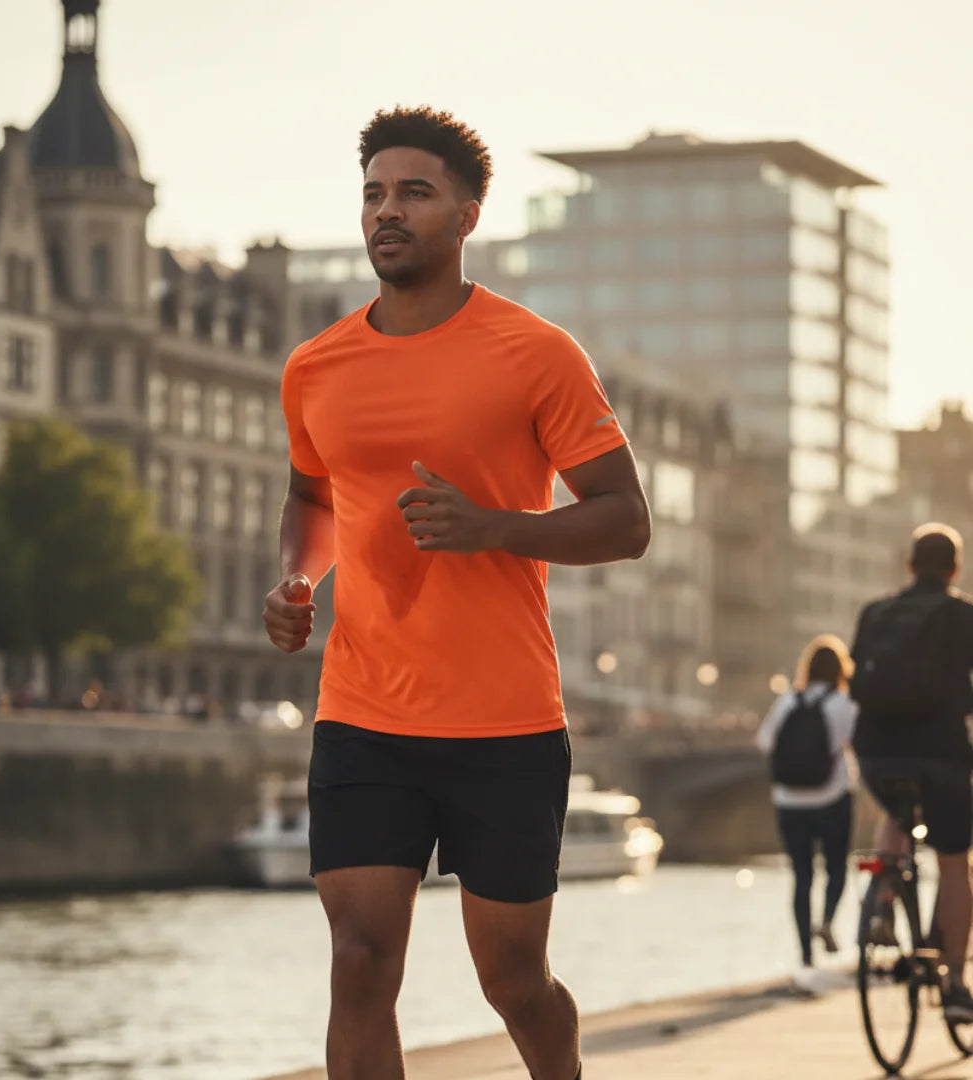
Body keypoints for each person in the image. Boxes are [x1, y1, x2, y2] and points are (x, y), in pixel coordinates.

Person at [262, 106, 650, 1080]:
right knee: (358, 962)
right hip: (364, 712)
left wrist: (496, 529)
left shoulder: (536, 353)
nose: (387, 212)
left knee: (513, 978)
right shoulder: (315, 368)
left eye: (413, 193)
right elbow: (314, 491)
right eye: (374, 194)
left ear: (467, 215)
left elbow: (625, 518)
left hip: (504, 723)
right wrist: (296, 576)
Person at [851, 523, 973, 1021]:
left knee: (896, 812)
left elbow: (857, 675)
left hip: (878, 754)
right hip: (940, 753)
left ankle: (882, 896)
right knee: (953, 862)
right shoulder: (962, 615)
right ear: (954, 570)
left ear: (909, 565)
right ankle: (957, 986)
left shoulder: (876, 612)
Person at [756, 635, 858, 983]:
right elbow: (856, 742)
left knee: (801, 875)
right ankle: (827, 920)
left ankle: (805, 955)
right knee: (836, 867)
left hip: (789, 799)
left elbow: (764, 742)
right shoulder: (842, 703)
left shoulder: (788, 701)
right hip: (831, 796)